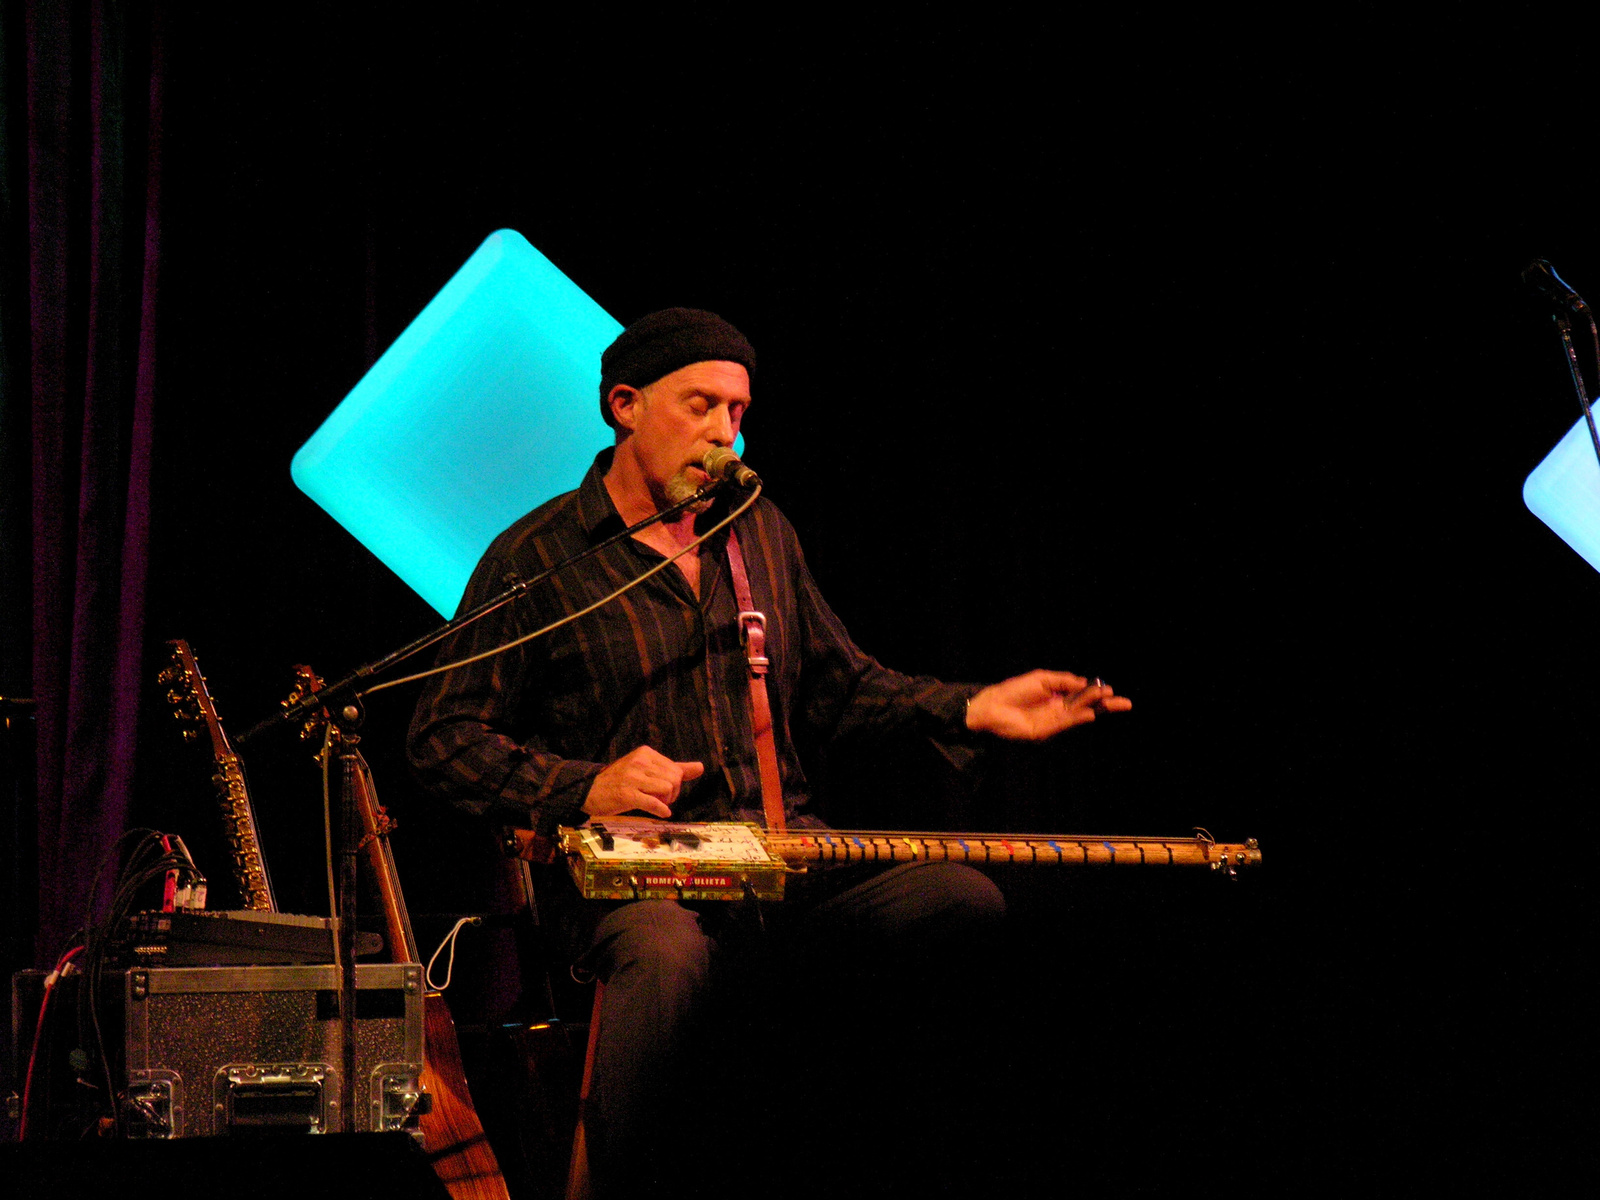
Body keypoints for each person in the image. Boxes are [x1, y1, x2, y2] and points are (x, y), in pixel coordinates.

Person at [407, 307, 1131, 1195]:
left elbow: (843, 687)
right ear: (625, 407)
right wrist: (584, 787)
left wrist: (976, 706)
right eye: (700, 405)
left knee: (958, 897)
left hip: (779, 864)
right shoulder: (538, 556)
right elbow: (443, 737)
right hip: (637, 885)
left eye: (737, 412)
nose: (723, 432)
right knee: (667, 952)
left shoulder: (759, 533)